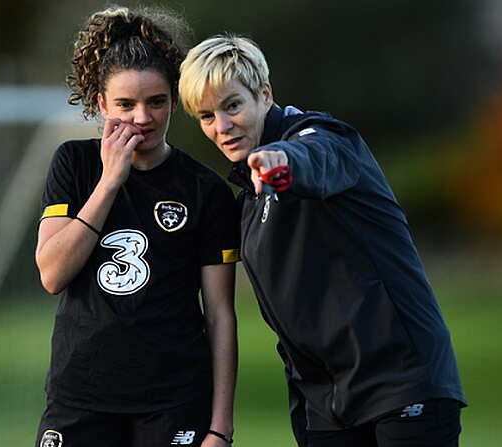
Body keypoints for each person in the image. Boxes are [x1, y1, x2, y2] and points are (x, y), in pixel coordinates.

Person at [179, 35, 467, 447]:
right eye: (206, 116)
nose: (221, 127)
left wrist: (279, 161)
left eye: (232, 106)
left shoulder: (324, 137)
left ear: (264, 94)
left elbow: (314, 158)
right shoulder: (245, 201)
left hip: (401, 382)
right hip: (326, 406)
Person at [34, 8, 239, 447]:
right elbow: (52, 273)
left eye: (156, 102)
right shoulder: (74, 164)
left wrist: (221, 426)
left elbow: (220, 314)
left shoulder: (207, 190)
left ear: (174, 100)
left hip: (173, 400)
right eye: (126, 105)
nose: (142, 118)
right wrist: (110, 181)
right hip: (80, 395)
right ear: (102, 103)